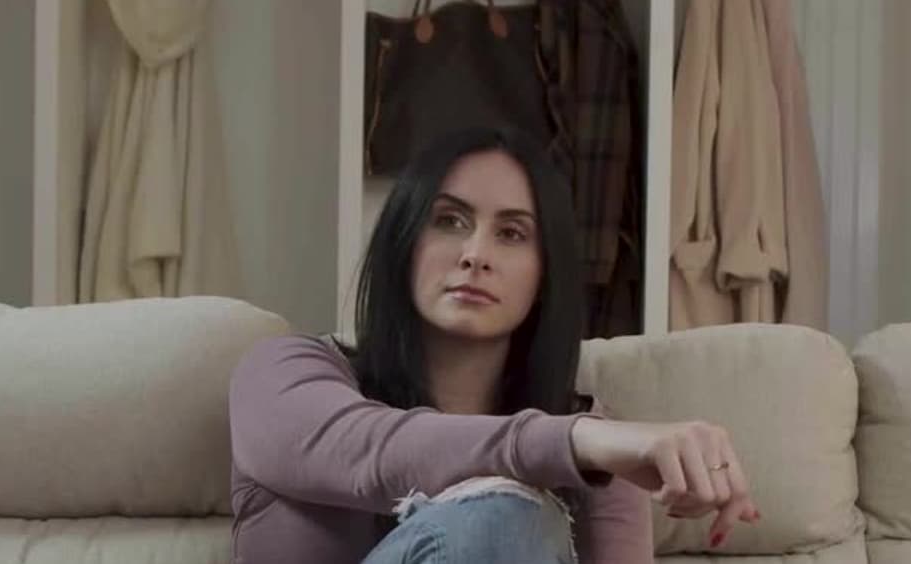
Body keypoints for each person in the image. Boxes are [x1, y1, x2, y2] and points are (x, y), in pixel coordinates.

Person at [228, 126, 762, 563]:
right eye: (449, 221)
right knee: (499, 516)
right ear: (403, 241)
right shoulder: (284, 374)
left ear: (544, 274)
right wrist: (580, 442)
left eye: (511, 234)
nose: (475, 254)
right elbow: (376, 455)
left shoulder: (596, 449)